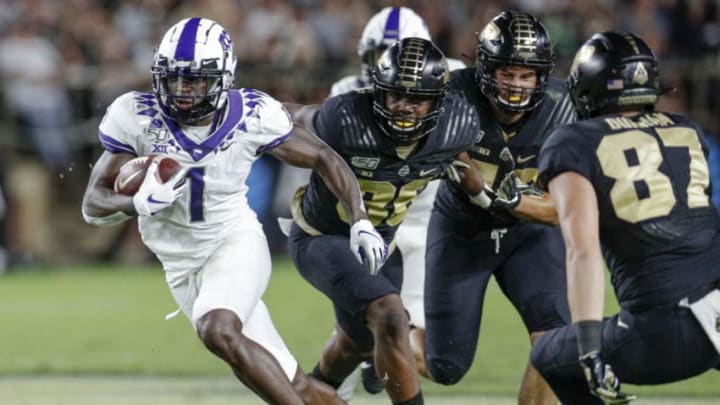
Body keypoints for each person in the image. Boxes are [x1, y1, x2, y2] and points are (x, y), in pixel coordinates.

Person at [80, 17, 386, 405]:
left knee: (218, 329)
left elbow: (323, 155)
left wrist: (359, 217)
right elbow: (93, 203)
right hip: (181, 268)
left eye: (194, 80)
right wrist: (134, 203)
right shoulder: (136, 115)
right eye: (173, 79)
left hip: (232, 241)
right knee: (292, 382)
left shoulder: (251, 114)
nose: (182, 91)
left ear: (224, 78)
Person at [284, 37, 486, 405]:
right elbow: (292, 116)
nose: (403, 108)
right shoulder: (346, 117)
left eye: (416, 99)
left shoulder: (458, 124)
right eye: (394, 96)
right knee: (391, 316)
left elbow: (460, 159)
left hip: (381, 245)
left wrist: (483, 194)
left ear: (438, 103)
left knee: (355, 344)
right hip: (322, 237)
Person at [531, 31, 720, 404]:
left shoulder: (573, 141)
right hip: (716, 314)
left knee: (548, 355)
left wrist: (589, 350)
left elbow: (581, 251)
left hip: (662, 332)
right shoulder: (687, 129)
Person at [412, 11, 575, 405]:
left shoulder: (565, 107)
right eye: (507, 73)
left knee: (554, 338)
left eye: (526, 74)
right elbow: (459, 165)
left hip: (529, 233)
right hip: (463, 232)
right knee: (445, 367)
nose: (517, 85)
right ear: (486, 68)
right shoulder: (454, 95)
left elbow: (562, 209)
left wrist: (504, 197)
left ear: (542, 75)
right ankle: (388, 336)